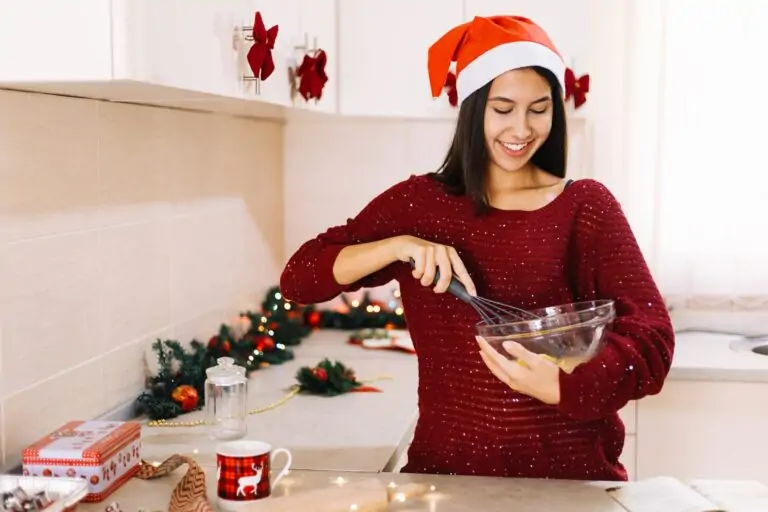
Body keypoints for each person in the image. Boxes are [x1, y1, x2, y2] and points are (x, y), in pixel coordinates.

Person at [280, 15, 674, 481]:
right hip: (446, 482)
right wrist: (398, 246)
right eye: (502, 108)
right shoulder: (421, 205)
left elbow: (652, 338)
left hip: (573, 485)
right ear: (473, 108)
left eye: (539, 108)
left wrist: (567, 385)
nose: (522, 128)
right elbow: (299, 279)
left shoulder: (585, 207)